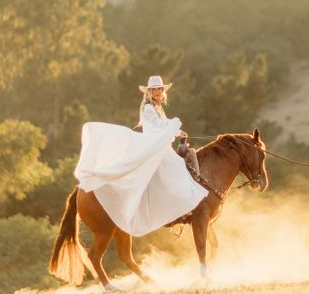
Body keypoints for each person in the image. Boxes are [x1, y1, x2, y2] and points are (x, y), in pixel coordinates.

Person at [73, 76, 208, 236]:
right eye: (154, 89)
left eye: (160, 88)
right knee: (176, 167)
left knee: (181, 164)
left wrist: (177, 131)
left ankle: (181, 207)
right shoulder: (148, 108)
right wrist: (174, 125)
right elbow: (159, 126)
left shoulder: (158, 108)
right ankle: (180, 208)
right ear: (150, 91)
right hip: (153, 146)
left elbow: (163, 125)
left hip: (160, 145)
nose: (157, 91)